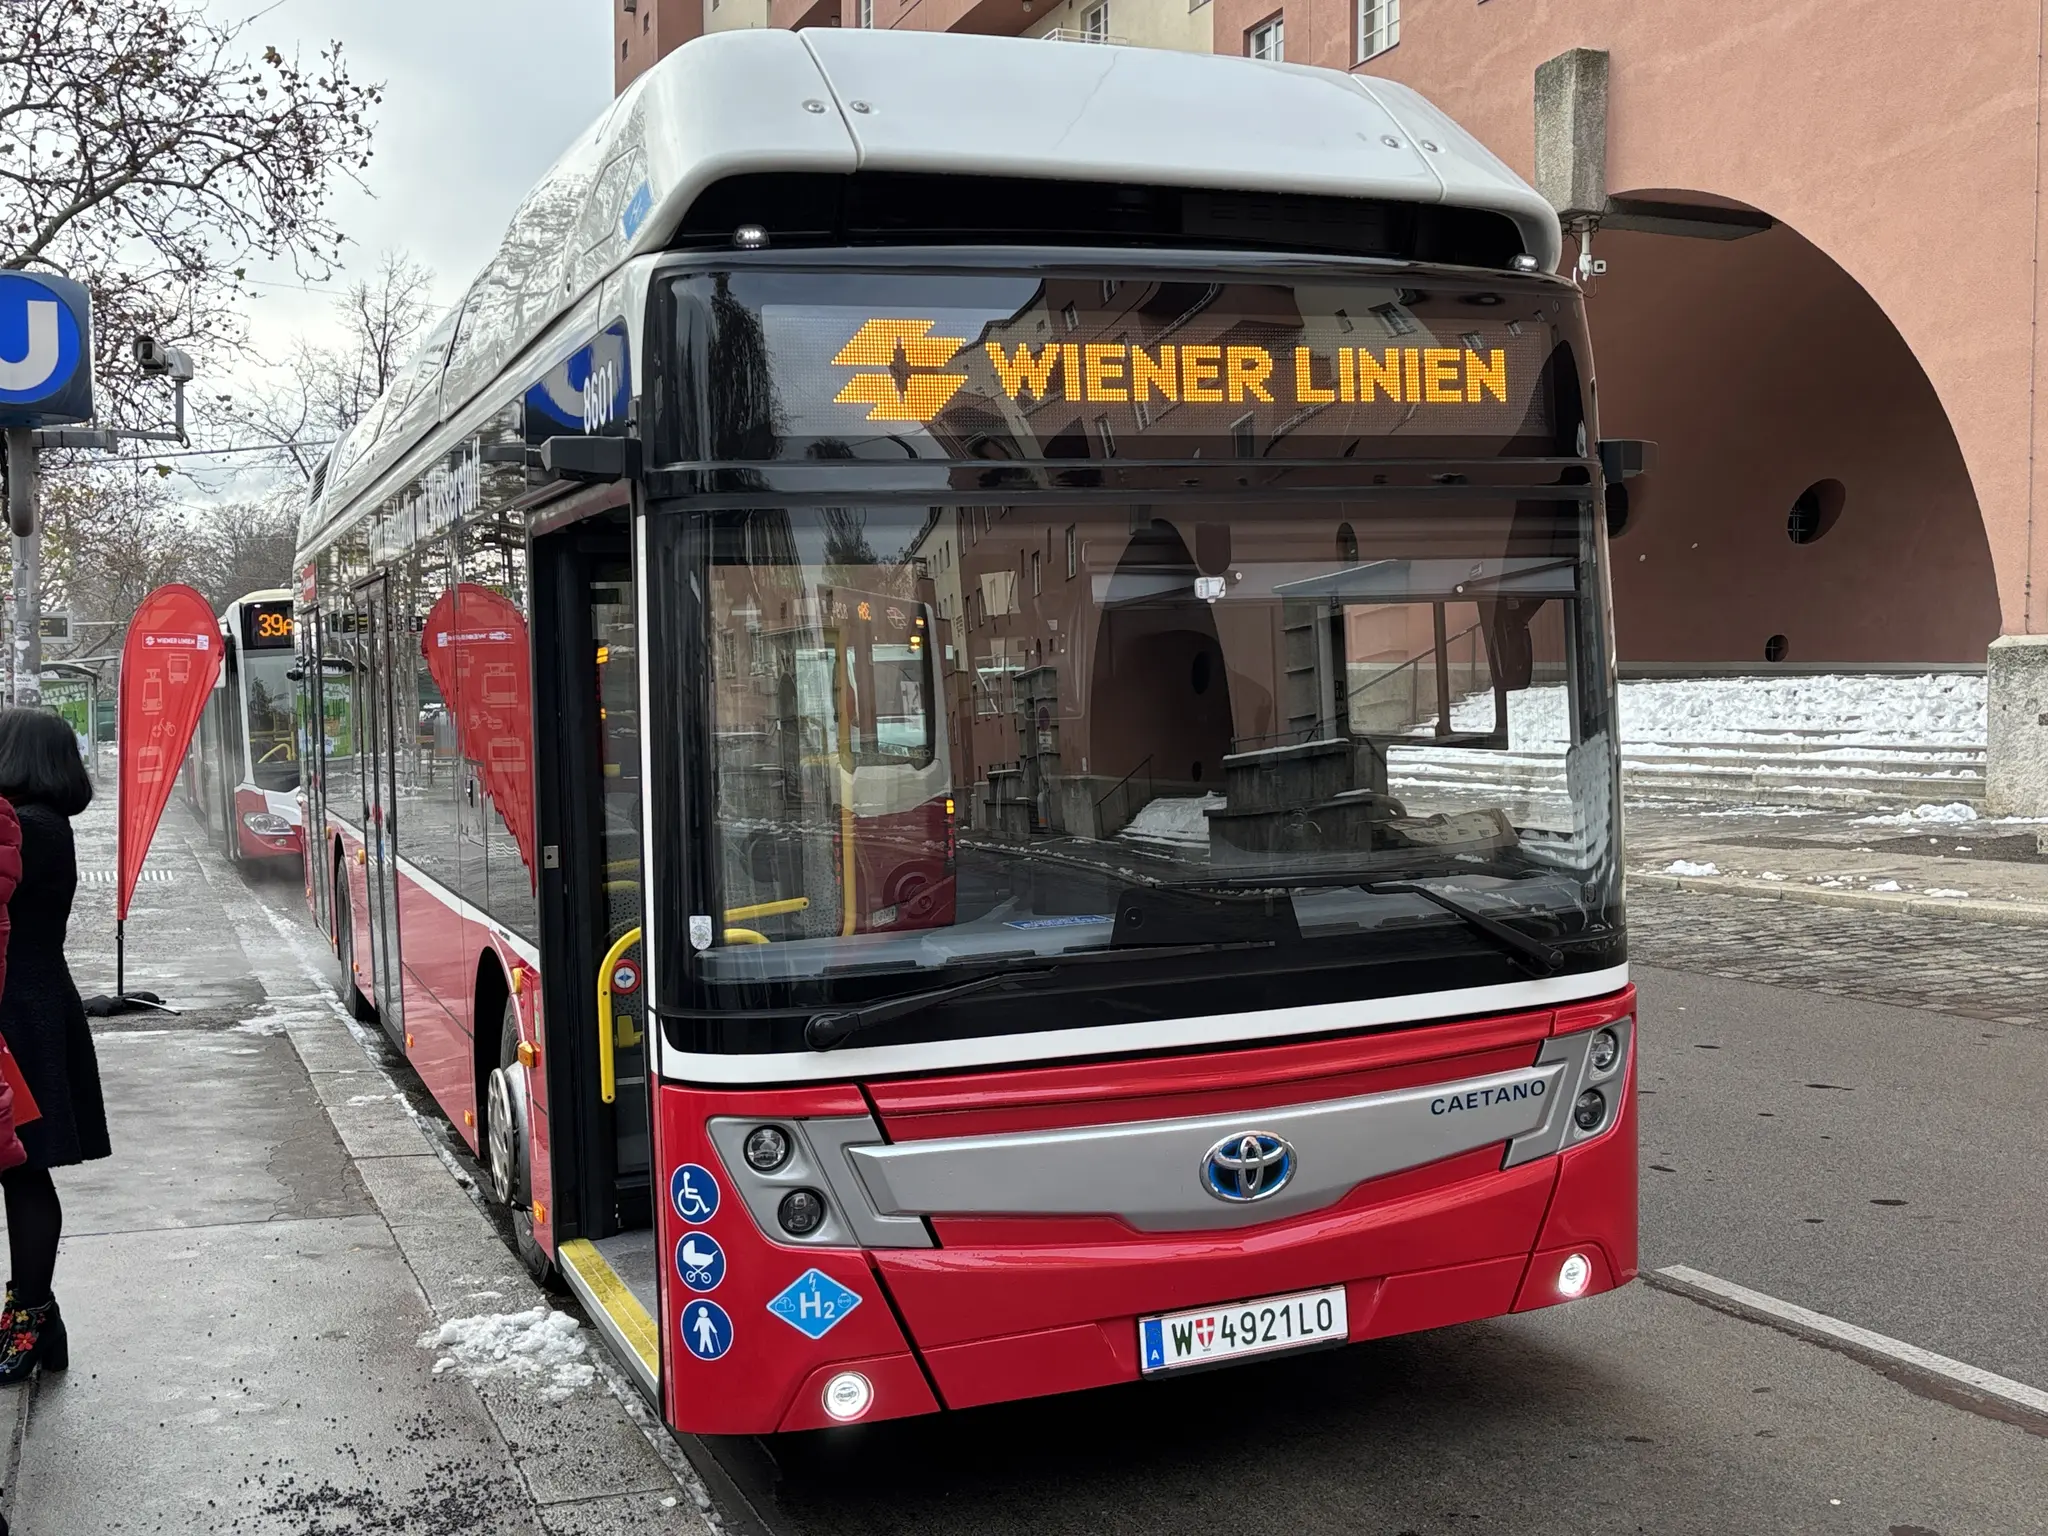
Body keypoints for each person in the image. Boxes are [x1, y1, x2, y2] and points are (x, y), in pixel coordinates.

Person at [0, 708, 105, 1384]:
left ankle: (32, 1318)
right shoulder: (42, 824)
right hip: (37, 1004)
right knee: (19, 1172)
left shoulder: (26, 828)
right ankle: (38, 1319)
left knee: (23, 1170)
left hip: (21, 1010)